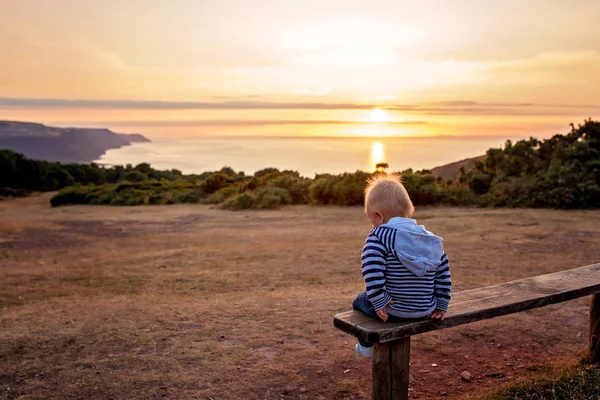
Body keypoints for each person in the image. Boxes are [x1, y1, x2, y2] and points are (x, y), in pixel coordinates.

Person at [353, 173, 451, 358]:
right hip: (425, 309)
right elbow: (443, 271)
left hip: (392, 309)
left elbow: (371, 269)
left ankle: (365, 346)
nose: (373, 225)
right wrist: (442, 304)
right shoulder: (429, 239)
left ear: (378, 216)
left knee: (359, 300)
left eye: (371, 220)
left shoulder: (378, 236)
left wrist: (379, 300)